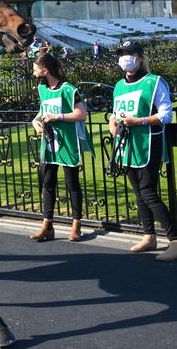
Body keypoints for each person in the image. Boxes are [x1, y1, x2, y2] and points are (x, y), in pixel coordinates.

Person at [108, 40, 177, 261]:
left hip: (148, 145)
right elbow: (115, 112)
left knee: (148, 193)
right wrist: (112, 121)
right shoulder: (119, 86)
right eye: (121, 54)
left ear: (139, 57)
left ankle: (174, 239)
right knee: (138, 194)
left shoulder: (155, 82)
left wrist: (139, 121)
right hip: (127, 147)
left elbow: (166, 115)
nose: (124, 58)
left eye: (128, 54)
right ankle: (149, 235)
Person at [30, 53, 93, 242]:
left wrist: (59, 117)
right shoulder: (42, 89)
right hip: (49, 143)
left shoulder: (68, 90)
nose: (33, 73)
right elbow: (42, 111)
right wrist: (35, 121)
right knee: (48, 183)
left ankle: (76, 225)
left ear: (45, 70)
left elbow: (82, 114)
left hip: (67, 142)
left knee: (71, 183)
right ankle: (47, 225)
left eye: (35, 69)